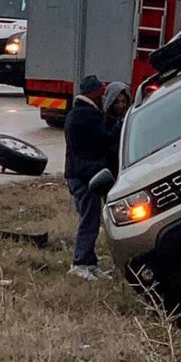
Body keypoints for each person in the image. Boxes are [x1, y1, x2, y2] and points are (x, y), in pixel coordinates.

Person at [64, 75, 119, 281]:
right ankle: (79, 262)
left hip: (79, 174)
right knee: (89, 221)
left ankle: (90, 262)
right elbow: (104, 139)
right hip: (84, 176)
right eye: (100, 92)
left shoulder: (77, 113)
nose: (103, 95)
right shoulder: (87, 115)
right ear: (93, 93)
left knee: (92, 218)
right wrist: (118, 127)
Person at [102, 81, 131, 176]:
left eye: (123, 101)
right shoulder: (102, 120)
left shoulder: (129, 119)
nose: (121, 106)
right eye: (117, 102)